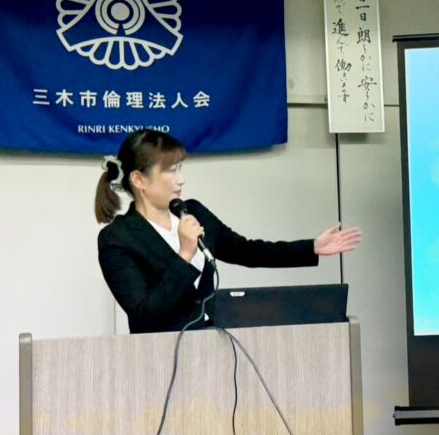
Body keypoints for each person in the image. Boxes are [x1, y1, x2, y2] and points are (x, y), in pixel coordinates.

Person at [94, 128, 362, 334]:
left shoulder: (192, 211)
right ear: (139, 179)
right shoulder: (118, 238)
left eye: (180, 169)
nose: (181, 179)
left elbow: (247, 250)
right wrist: (184, 254)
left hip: (214, 345)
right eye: (171, 171)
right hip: (158, 358)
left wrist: (311, 247)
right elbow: (144, 312)